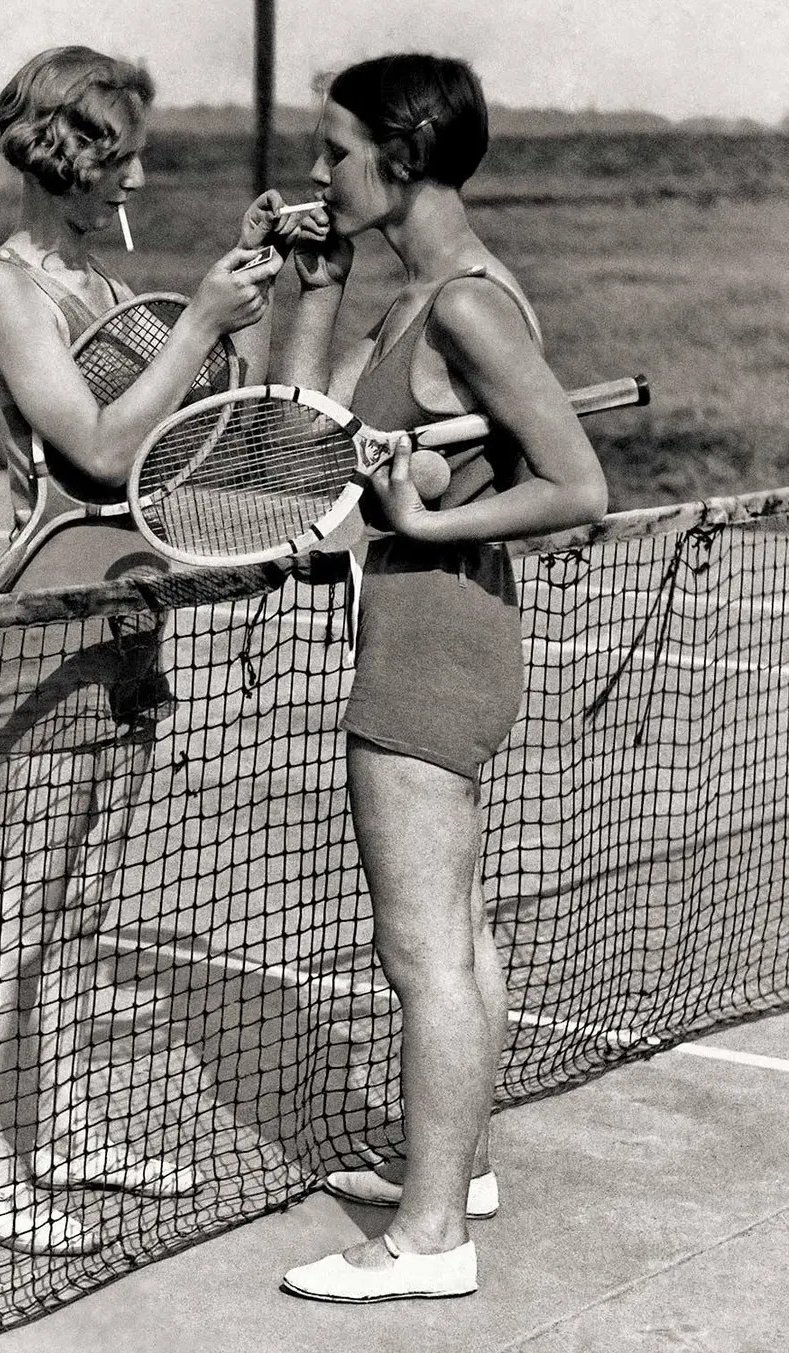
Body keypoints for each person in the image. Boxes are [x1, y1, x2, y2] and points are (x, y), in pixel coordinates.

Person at [263, 54, 609, 1301]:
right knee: (453, 936)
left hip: (432, 631)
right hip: (441, 620)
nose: (317, 169)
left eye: (336, 149)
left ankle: (426, 1243)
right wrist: (320, 283)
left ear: (401, 159)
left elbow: (577, 491)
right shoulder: (430, 291)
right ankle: (450, 1174)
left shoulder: (467, 304)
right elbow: (294, 434)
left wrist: (418, 519)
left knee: (422, 955)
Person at [0, 45, 284, 1258]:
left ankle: (71, 1129)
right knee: (14, 913)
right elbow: (89, 450)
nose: (139, 172)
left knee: (79, 908)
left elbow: (197, 436)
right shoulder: (5, 289)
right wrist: (197, 320)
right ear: (71, 158)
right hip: (47, 627)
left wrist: (242, 303)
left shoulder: (91, 278)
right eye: (122, 153)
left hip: (132, 612)